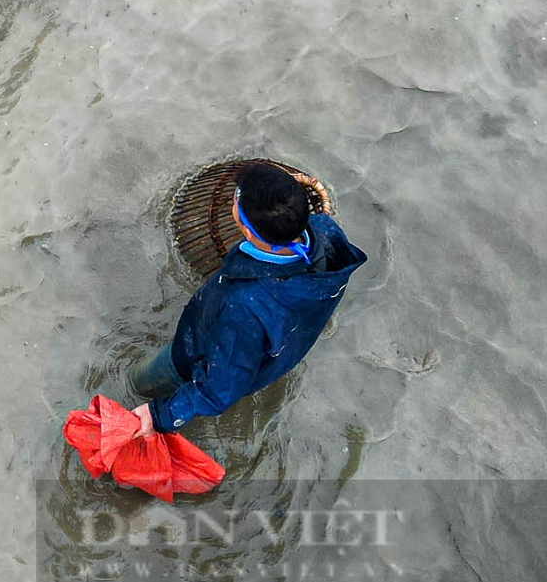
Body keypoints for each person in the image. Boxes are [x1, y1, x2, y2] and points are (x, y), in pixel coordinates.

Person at [126, 164, 367, 436]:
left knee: (137, 382)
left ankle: (135, 391)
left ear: (247, 231)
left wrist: (158, 415)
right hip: (281, 346)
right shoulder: (322, 230)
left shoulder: (243, 307)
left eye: (236, 199)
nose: (234, 197)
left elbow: (218, 388)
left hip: (194, 354)